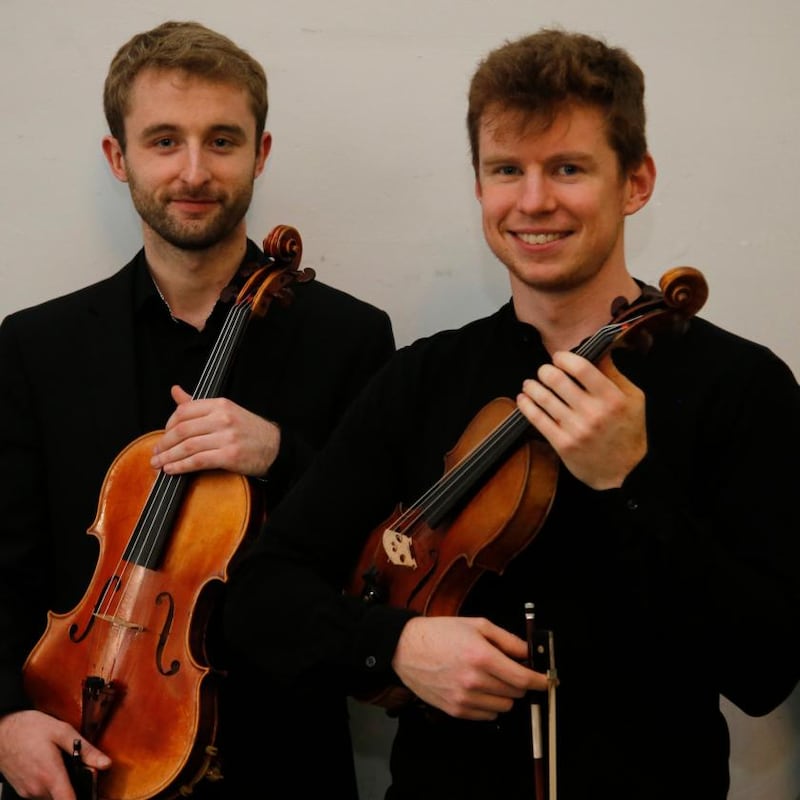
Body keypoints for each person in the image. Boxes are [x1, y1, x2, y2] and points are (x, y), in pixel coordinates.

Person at [223, 27, 800, 800]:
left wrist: (632, 484)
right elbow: (263, 593)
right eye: (506, 170)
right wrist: (395, 646)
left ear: (636, 182)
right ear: (479, 186)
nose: (533, 201)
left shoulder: (742, 384)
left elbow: (766, 669)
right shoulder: (425, 376)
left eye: (568, 168)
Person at [0, 20, 395, 800]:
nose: (193, 171)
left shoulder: (351, 336)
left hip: (284, 760)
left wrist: (282, 456)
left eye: (221, 141)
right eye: (163, 141)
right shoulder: (32, 347)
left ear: (261, 153)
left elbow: (387, 558)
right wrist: (6, 719)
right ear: (119, 158)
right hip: (79, 746)